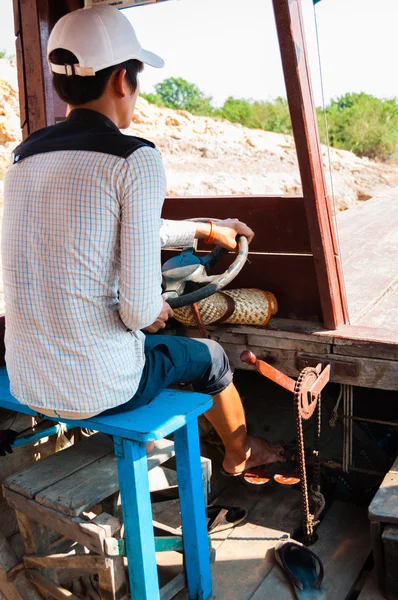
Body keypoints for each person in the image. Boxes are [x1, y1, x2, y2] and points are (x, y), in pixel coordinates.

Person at [2, 5, 284, 475]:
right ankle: (240, 453)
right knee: (209, 356)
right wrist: (153, 308)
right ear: (121, 81)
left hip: (28, 381)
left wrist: (204, 228)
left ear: (59, 83)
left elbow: (106, 230)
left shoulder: (24, 159)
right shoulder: (135, 159)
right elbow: (137, 312)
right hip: (98, 391)